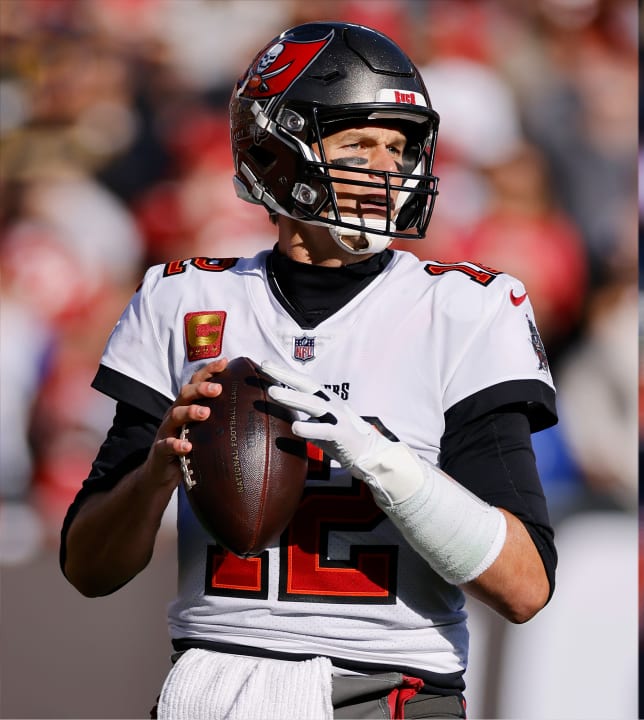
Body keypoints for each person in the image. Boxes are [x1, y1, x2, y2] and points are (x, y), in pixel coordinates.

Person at [59, 22, 558, 719]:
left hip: (389, 692)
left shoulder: (466, 308)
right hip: (210, 687)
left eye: (402, 145)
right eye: (358, 142)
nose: (389, 167)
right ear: (275, 149)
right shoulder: (185, 298)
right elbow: (88, 568)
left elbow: (525, 586)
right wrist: (156, 474)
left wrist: (382, 460)